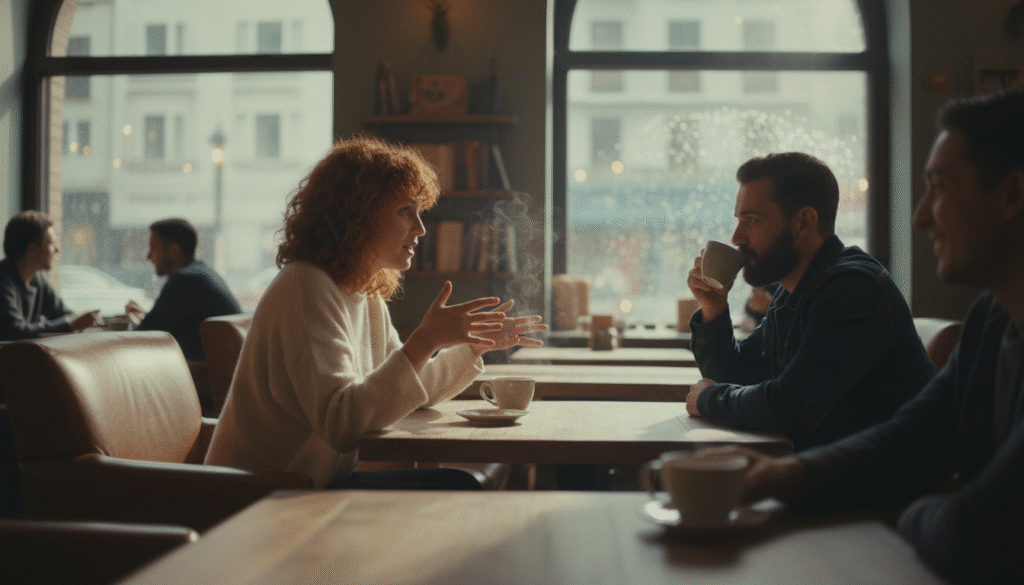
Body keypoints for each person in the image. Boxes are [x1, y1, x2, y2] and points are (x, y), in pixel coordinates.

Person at [705, 88, 1024, 585]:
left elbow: (976, 536)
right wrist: (787, 476)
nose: (920, 217)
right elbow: (916, 437)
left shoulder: (850, 287)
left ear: (1011, 194)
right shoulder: (993, 317)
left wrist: (910, 515)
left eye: (939, 187)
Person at [205, 136, 547, 490]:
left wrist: (471, 346)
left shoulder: (363, 292)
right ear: (357, 214)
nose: (420, 228)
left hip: (312, 485)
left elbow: (409, 390)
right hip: (260, 496)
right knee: (458, 488)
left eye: (419, 212)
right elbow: (342, 422)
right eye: (405, 211)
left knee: (461, 484)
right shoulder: (304, 286)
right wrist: (425, 340)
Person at [685, 152, 934, 451]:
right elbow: (733, 376)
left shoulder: (851, 289)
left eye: (752, 220)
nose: (737, 237)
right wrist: (713, 308)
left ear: (804, 222)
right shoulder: (793, 293)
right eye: (739, 220)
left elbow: (790, 405)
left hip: (876, 489)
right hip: (820, 472)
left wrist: (707, 399)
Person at [126, 218, 242, 362]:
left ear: (174, 251)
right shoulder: (202, 274)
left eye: (153, 248)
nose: (148, 256)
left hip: (205, 377)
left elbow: (144, 337)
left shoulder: (184, 280)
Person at [0, 210, 100, 341]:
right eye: (52, 243)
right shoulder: (3, 280)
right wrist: (70, 325)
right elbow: (14, 331)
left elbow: (63, 314)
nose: (57, 250)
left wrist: (75, 322)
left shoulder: (37, 279)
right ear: (33, 250)